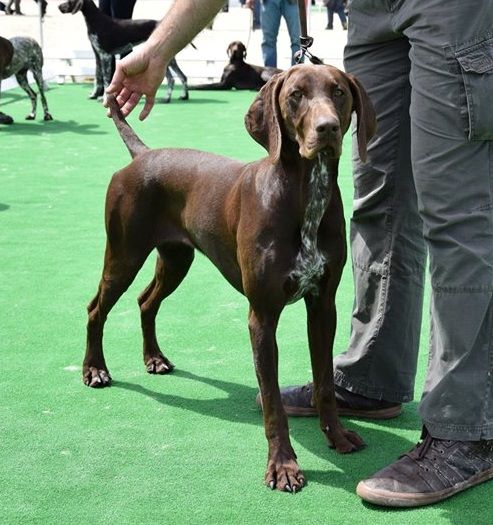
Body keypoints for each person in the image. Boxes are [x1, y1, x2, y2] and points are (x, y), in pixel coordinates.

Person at [106, 0, 493, 507]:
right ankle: (368, 379)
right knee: (380, 205)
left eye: (337, 100)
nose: (327, 117)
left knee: (454, 211)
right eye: (306, 102)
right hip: (369, 11)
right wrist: (159, 47)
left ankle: (469, 429)